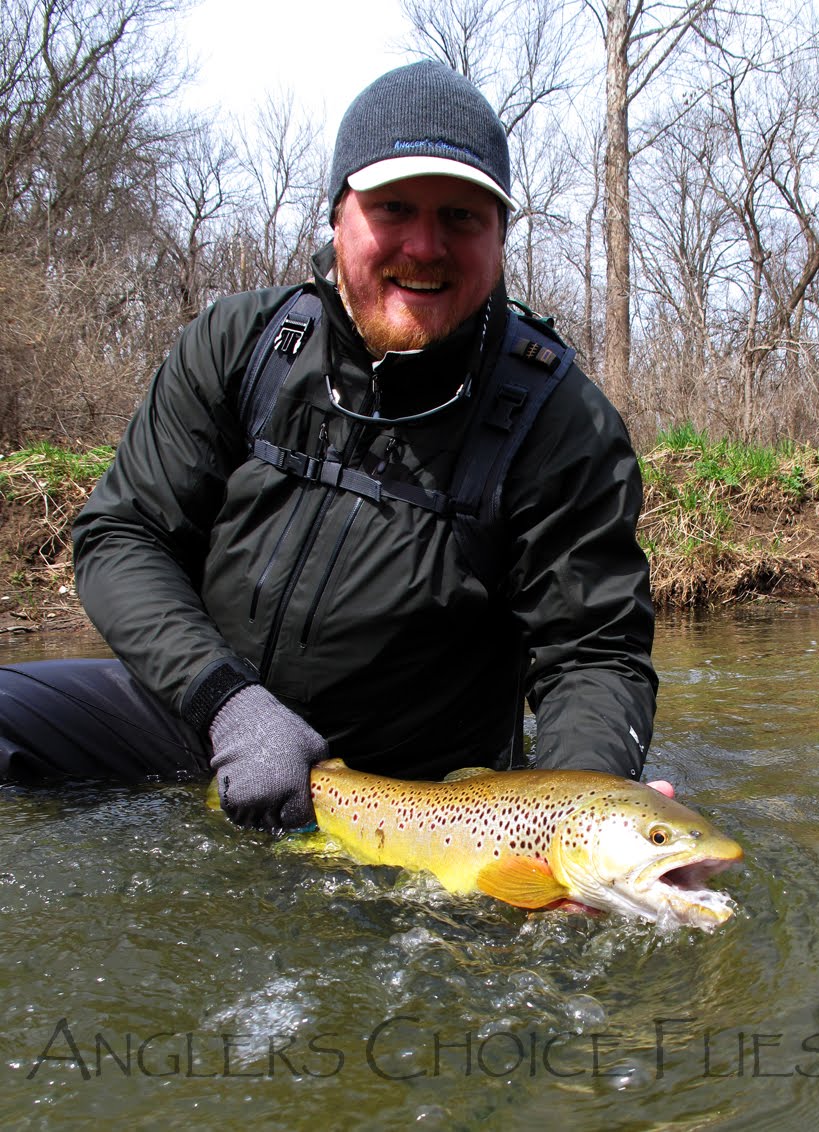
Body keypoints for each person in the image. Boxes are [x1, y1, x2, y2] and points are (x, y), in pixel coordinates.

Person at [0, 61, 658, 830]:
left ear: (500, 236)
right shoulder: (242, 342)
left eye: (461, 217)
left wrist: (582, 812)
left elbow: (594, 654)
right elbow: (124, 534)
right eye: (393, 207)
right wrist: (228, 704)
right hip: (201, 713)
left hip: (413, 792)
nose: (425, 245)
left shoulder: (563, 422)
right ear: (338, 215)